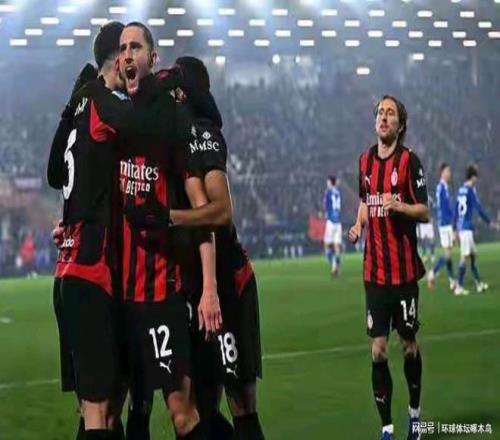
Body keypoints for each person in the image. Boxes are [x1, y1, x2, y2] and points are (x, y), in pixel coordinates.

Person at [117, 22, 221, 440]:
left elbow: (204, 210)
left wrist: (210, 288)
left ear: (152, 58)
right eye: (122, 48)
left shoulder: (173, 120)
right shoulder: (117, 120)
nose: (127, 54)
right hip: (121, 294)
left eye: (136, 47)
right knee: (126, 410)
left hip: (162, 292)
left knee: (182, 414)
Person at [47, 21, 136, 440]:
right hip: (92, 269)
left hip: (68, 270)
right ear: (118, 59)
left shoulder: (80, 108)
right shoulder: (104, 104)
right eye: (129, 51)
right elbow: (144, 130)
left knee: (101, 407)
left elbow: (54, 174)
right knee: (100, 409)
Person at [348, 95, 428, 440]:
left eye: (390, 113)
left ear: (400, 124)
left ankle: (415, 415)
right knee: (378, 349)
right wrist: (358, 225)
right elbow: (366, 201)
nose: (383, 117)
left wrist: (401, 206)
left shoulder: (409, 162)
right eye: (380, 112)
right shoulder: (365, 161)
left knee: (409, 345)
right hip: (375, 274)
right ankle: (387, 427)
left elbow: (424, 211)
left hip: (404, 273)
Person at [453, 165, 493, 295]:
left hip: (462, 227)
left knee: (472, 256)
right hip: (466, 228)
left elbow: (456, 210)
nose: (477, 179)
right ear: (473, 177)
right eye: (476, 177)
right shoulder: (470, 190)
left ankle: (478, 284)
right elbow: (478, 208)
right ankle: (459, 286)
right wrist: (489, 221)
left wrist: (455, 228)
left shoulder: (461, 190)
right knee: (464, 257)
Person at [427, 163, 456, 291]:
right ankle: (433, 273)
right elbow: (444, 207)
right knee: (448, 254)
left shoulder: (443, 187)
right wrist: (452, 223)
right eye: (448, 171)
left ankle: (451, 281)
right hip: (445, 224)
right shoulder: (442, 187)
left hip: (445, 223)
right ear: (442, 172)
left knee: (448, 253)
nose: (449, 173)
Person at [323, 175, 342, 277]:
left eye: (328, 182)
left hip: (331, 222)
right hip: (338, 222)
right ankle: (337, 267)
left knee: (326, 245)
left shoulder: (328, 192)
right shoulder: (338, 192)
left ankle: (334, 266)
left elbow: (325, 206)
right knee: (337, 246)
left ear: (330, 182)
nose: (327, 184)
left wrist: (324, 213)